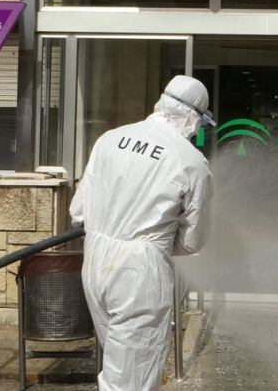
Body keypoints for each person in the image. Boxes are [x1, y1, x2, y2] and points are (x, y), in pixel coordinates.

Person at [69, 75, 214, 391]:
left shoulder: (110, 138)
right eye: (201, 122)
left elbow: (78, 211)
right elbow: (193, 240)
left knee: (117, 366)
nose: (199, 129)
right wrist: (156, 241)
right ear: (192, 116)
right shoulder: (192, 162)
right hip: (140, 273)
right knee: (131, 380)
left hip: (94, 264)